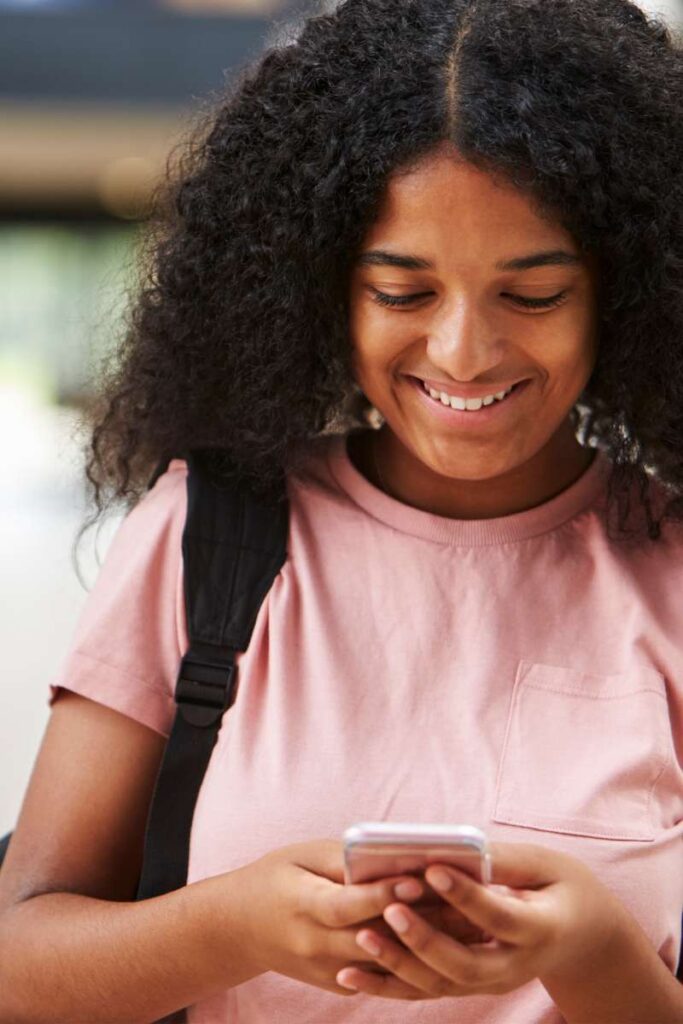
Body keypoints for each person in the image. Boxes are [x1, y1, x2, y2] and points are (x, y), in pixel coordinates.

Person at [0, 0, 682, 1021]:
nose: (461, 352)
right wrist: (233, 925)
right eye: (402, 292)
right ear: (320, 289)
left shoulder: (667, 566)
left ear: (623, 293)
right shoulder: (209, 535)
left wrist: (589, 950)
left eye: (531, 294)